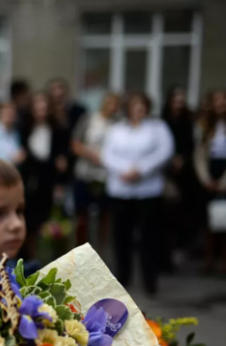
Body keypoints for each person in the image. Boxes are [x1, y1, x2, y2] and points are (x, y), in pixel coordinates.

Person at [102, 93, 173, 296]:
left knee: (148, 237)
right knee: (121, 237)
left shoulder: (157, 128)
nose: (138, 110)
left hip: (148, 190)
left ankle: (150, 280)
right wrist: (125, 170)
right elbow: (108, 154)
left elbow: (165, 151)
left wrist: (141, 169)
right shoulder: (117, 129)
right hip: (121, 189)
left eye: (142, 106)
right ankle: (122, 277)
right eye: (135, 106)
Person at [18, 92, 70, 259]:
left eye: (45, 107)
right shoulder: (25, 128)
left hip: (49, 181)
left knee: (50, 224)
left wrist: (60, 180)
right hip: (30, 182)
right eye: (38, 107)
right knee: (30, 223)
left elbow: (62, 157)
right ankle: (30, 258)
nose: (41, 110)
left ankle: (47, 258)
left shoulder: (58, 129)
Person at [71, 92, 119, 249]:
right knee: (82, 215)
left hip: (107, 175)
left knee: (105, 215)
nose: (113, 108)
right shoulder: (89, 119)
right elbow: (75, 144)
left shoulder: (118, 124)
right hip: (85, 172)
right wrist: (91, 155)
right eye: (110, 104)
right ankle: (81, 250)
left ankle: (101, 251)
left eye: (116, 105)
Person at [161, 87, 199, 267]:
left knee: (181, 216)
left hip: (185, 174)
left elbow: (193, 146)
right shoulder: (162, 122)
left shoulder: (188, 122)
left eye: (182, 101)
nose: (179, 104)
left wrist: (183, 159)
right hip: (165, 174)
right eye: (176, 100)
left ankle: (178, 251)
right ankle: (163, 256)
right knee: (164, 217)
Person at [194, 89, 226, 273]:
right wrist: (205, 178)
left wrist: (223, 183)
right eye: (217, 101)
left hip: (224, 174)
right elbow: (199, 155)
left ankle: (223, 259)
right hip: (210, 173)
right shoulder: (206, 126)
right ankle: (209, 258)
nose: (221, 104)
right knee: (208, 219)